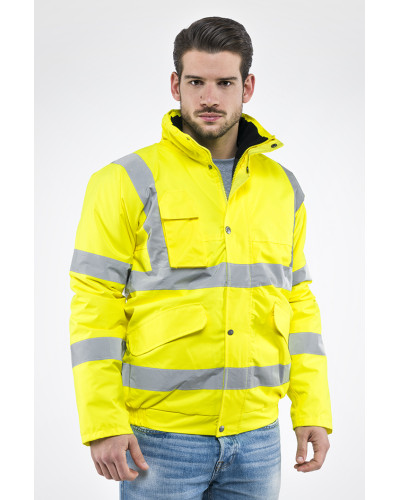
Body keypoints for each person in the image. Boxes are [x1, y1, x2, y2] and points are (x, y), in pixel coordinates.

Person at [69, 16, 332, 500]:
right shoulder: (125, 180)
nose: (209, 97)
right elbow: (95, 302)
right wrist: (103, 422)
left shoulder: (282, 187)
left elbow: (298, 301)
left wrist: (311, 409)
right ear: (176, 86)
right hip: (159, 439)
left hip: (257, 438)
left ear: (247, 87)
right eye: (196, 82)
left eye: (225, 83)